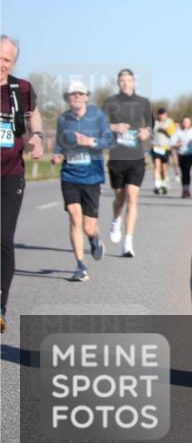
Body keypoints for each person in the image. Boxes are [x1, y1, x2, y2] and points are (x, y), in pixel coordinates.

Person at [1, 36, 44, 332]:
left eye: (7, 60)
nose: (2, 65)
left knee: (3, 238)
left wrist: (37, 136)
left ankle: (0, 305)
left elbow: (33, 115)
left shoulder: (21, 89)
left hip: (11, 173)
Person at [53, 80, 115, 282]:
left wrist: (90, 142)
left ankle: (94, 239)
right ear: (68, 98)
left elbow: (109, 140)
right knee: (73, 216)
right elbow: (59, 142)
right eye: (73, 94)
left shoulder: (98, 117)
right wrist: (57, 154)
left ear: (86, 96)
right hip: (69, 174)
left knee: (88, 226)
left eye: (80, 93)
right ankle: (80, 265)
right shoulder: (63, 119)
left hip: (92, 177)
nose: (77, 97)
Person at [103, 68, 152, 258]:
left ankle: (128, 241)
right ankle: (116, 219)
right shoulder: (110, 102)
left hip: (136, 156)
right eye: (122, 80)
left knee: (133, 195)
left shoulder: (143, 102)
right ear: (118, 83)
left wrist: (146, 131)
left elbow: (150, 124)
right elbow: (99, 124)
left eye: (128, 80)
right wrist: (114, 127)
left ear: (134, 82)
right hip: (117, 155)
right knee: (120, 197)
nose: (125, 83)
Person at [170, 116, 192, 197]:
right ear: (182, 123)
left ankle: (187, 189)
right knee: (184, 172)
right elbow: (172, 143)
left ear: (190, 123)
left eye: (187, 121)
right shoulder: (178, 132)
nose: (186, 123)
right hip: (181, 154)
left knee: (188, 171)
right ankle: (184, 189)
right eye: (184, 122)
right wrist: (178, 144)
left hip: (191, 154)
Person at [151, 107, 176, 195]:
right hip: (155, 147)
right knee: (156, 166)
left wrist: (166, 130)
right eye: (160, 114)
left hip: (165, 147)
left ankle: (165, 183)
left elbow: (173, 133)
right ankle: (157, 185)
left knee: (164, 167)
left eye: (163, 114)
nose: (161, 116)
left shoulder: (170, 122)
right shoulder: (154, 122)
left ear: (166, 114)